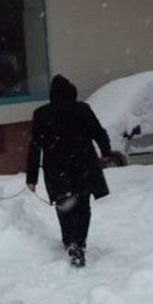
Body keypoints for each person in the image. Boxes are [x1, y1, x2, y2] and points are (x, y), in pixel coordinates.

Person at [26, 74, 112, 267]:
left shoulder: (41, 113)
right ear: (71, 92)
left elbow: (34, 147)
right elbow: (99, 132)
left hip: (56, 170)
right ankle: (79, 242)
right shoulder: (82, 109)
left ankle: (69, 241)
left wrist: (31, 178)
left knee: (63, 205)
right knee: (83, 206)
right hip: (83, 166)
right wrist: (106, 152)